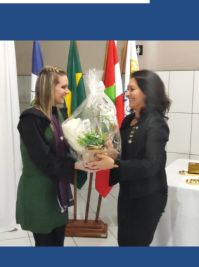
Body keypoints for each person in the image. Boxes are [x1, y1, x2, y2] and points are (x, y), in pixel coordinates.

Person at [87, 70, 171, 246]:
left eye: (132, 89)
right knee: (124, 242)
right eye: (127, 89)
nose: (127, 94)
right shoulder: (128, 120)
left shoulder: (156, 123)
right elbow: (125, 154)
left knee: (136, 245)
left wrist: (114, 163)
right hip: (128, 192)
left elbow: (152, 164)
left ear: (147, 91)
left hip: (148, 197)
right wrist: (109, 152)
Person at [16, 66, 87, 246]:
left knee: (58, 242)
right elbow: (44, 160)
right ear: (49, 87)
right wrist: (75, 165)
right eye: (63, 87)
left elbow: (66, 148)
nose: (67, 91)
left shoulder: (57, 115)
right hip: (39, 193)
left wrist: (90, 149)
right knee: (45, 245)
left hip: (57, 192)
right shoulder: (30, 119)